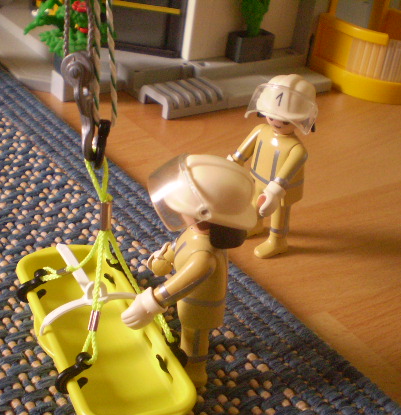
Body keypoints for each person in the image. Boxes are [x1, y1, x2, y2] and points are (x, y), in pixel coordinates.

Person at [122, 154, 257, 386]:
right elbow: (179, 245)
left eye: (181, 205)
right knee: (190, 332)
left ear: (203, 215)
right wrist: (166, 256)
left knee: (194, 338)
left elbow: (183, 282)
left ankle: (196, 370)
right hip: (190, 301)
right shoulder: (195, 234)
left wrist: (150, 303)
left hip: (200, 305)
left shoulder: (204, 257)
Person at [228, 74, 318, 258]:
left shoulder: (297, 149)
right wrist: (231, 164)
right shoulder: (260, 131)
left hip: (280, 190)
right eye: (271, 116)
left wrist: (275, 191)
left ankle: (278, 241)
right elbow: (241, 153)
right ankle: (254, 225)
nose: (276, 123)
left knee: (279, 214)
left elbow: (286, 173)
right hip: (257, 179)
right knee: (253, 204)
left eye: (286, 121)